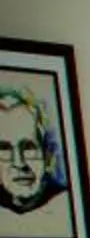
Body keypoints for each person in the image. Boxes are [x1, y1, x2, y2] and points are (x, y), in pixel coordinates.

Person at [0, 86, 68, 219]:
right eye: (4, 149)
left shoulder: (64, 203)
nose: (19, 163)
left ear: (47, 156)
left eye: (29, 147)